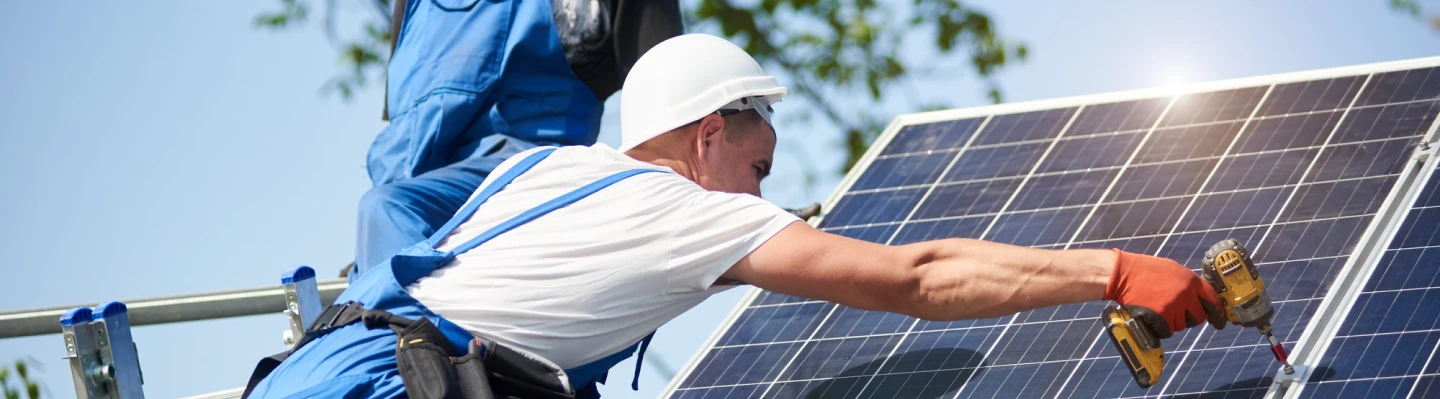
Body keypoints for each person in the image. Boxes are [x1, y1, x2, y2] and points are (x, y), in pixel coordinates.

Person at [246, 34, 1225, 399]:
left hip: (317, 370)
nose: (761, 198)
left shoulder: (544, 171)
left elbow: (395, 197)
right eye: (755, 167)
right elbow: (917, 279)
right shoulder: (686, 211)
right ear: (705, 134)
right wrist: (1111, 270)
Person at [352, 0, 684, 280]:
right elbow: (403, 116)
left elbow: (667, 103)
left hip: (534, 174)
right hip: (411, 191)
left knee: (387, 209)